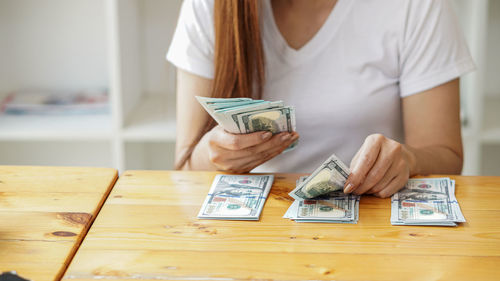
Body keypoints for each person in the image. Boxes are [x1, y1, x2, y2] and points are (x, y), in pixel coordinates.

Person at [167, 0, 475, 198]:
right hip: (250, 229)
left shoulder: (416, 7)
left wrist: (409, 159)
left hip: (371, 222)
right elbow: (184, 171)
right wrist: (213, 155)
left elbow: (447, 156)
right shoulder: (209, 7)